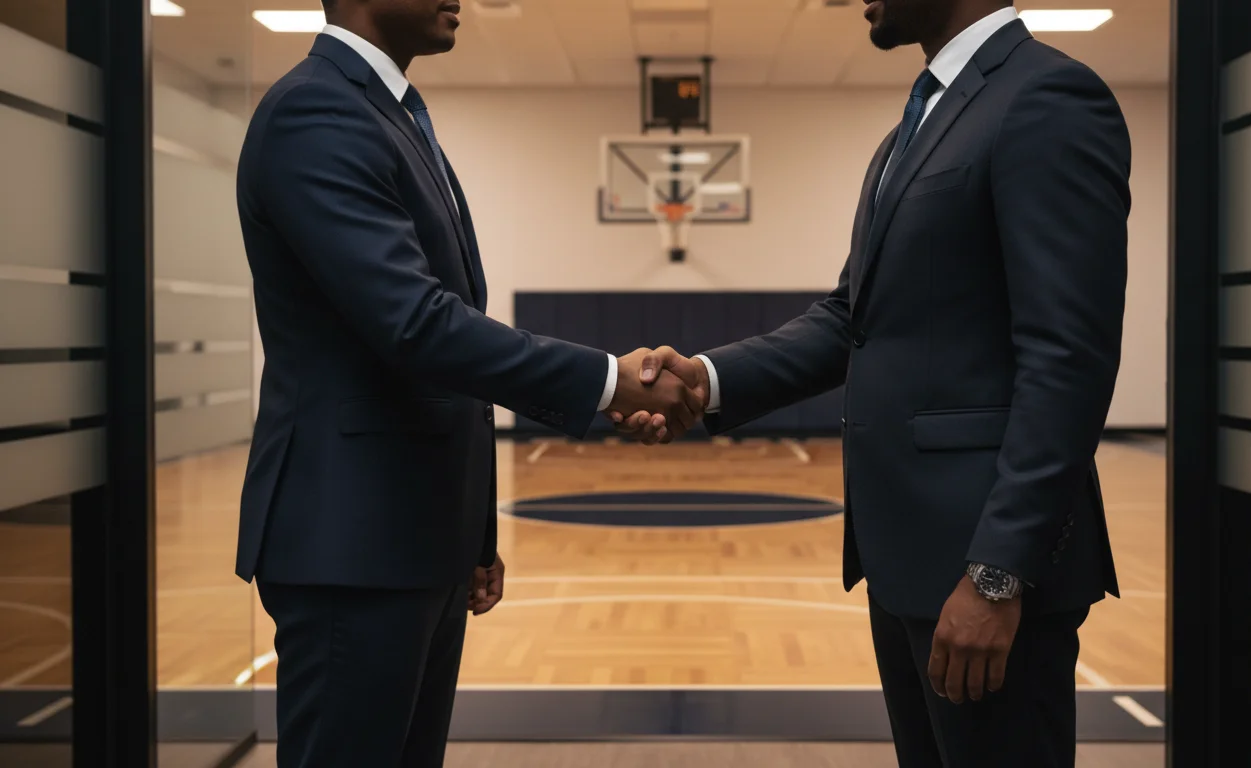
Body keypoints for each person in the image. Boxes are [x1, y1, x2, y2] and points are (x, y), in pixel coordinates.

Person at [613, 1, 1130, 765]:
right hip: (907, 562)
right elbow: (851, 319)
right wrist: (707, 380)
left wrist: (997, 574)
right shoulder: (916, 126)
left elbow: (1069, 357)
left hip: (981, 571)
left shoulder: (1047, 97)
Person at [233, 1, 700, 765]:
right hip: (350, 547)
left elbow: (436, 348)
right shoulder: (315, 110)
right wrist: (609, 382)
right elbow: (416, 324)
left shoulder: (392, 114)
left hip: (413, 540)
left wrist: (470, 536)